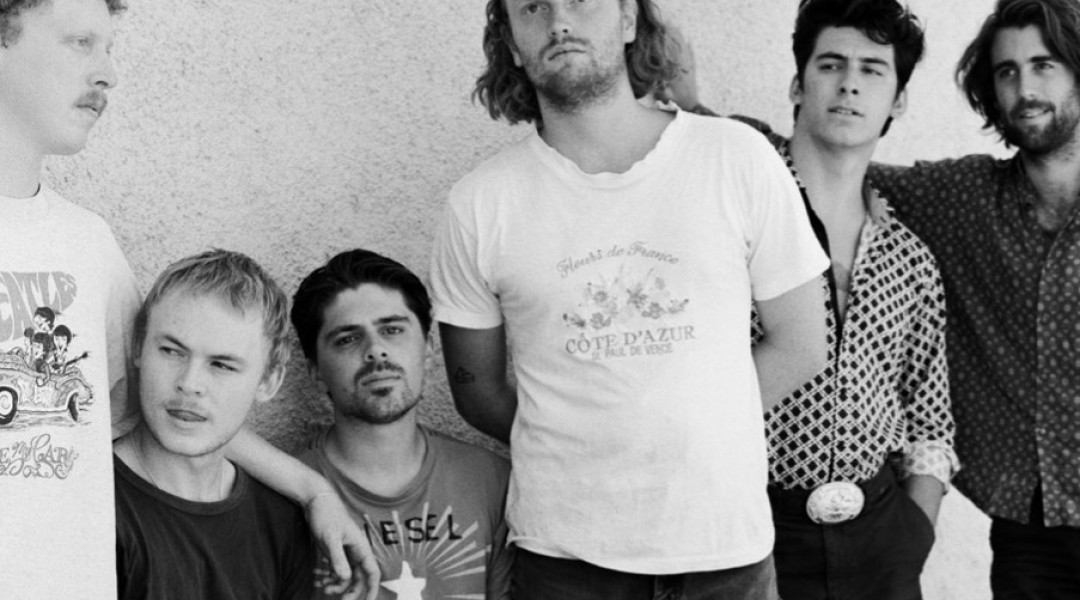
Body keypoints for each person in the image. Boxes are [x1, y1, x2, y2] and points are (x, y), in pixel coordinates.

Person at [430, 0, 830, 597]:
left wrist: (692, 425)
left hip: (725, 554)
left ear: (627, 19)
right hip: (567, 561)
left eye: (581, 1)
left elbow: (801, 343)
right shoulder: (480, 204)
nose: (559, 21)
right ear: (510, 41)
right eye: (533, 7)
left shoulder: (735, 156)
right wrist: (587, 439)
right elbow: (477, 390)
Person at [0, 1, 378, 597]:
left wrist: (313, 492)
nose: (108, 74)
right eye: (79, 42)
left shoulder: (86, 246)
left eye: (109, 50)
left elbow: (174, 403)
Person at [740, 1, 960, 598]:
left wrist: (914, 532)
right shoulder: (742, 212)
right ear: (798, 83)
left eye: (872, 69)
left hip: (881, 539)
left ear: (898, 100)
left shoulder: (910, 257)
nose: (850, 84)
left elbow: (930, 417)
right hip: (751, 526)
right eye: (831, 64)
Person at [864, 1, 1080, 596]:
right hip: (1030, 539)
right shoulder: (964, 200)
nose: (1025, 89)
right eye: (1007, 71)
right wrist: (682, 112)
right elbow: (836, 168)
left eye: (1044, 65)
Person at [292, 249, 512, 600]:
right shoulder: (282, 494)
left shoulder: (492, 481)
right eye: (348, 338)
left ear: (428, 349)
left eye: (392, 330)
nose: (376, 351)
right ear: (315, 371)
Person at [113, 249, 315, 599]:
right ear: (138, 347)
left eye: (221, 365)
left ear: (269, 381)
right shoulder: (90, 504)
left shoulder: (281, 524)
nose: (189, 383)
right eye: (171, 351)